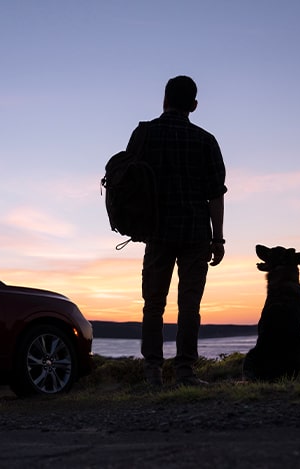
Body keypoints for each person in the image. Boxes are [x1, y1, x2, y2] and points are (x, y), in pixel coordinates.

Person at [126, 75, 227, 387]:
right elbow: (216, 193)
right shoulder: (206, 140)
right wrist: (218, 238)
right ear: (194, 105)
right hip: (196, 233)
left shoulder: (144, 134)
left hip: (156, 233)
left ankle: (153, 372)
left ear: (164, 100)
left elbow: (129, 182)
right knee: (190, 306)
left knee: (153, 304)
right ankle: (185, 371)